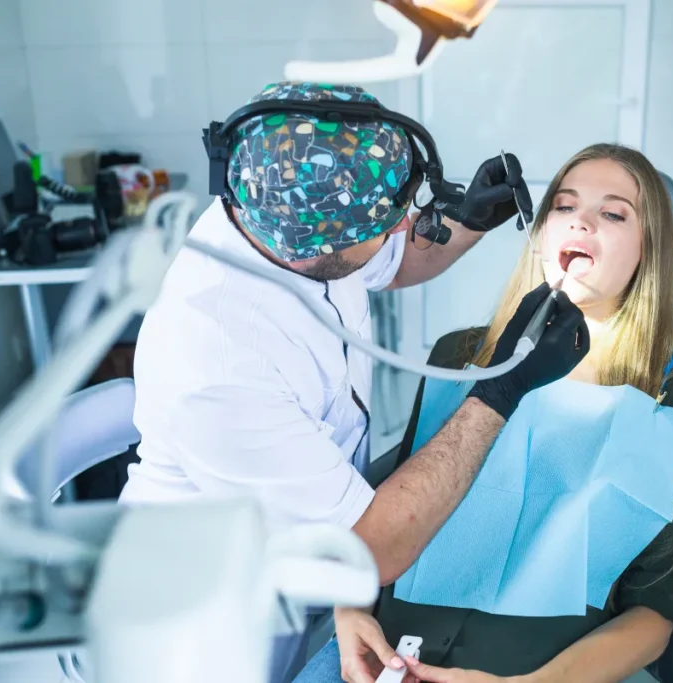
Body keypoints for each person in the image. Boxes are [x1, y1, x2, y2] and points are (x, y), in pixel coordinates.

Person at [120, 82, 590, 682]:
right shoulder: (219, 358)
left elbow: (389, 260)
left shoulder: (277, 211)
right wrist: (502, 387)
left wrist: (467, 220)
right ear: (318, 245)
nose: (404, 229)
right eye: (388, 222)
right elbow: (375, 551)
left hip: (302, 555)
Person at [294, 143, 673, 683]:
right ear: (540, 233)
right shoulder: (458, 358)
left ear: (649, 251)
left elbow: (656, 611)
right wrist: (350, 606)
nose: (581, 222)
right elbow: (396, 512)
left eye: (614, 214)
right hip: (388, 652)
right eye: (564, 206)